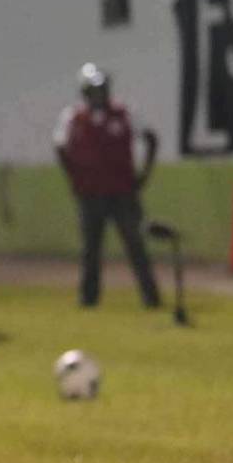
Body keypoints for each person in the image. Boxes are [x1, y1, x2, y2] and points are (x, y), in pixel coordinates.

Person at [53, 62, 162, 308]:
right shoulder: (73, 117)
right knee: (91, 249)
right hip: (90, 195)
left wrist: (143, 175)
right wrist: (74, 177)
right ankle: (88, 298)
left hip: (123, 194)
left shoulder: (125, 113)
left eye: (102, 89)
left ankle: (151, 298)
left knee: (136, 245)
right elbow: (60, 146)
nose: (99, 95)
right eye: (94, 90)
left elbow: (151, 138)